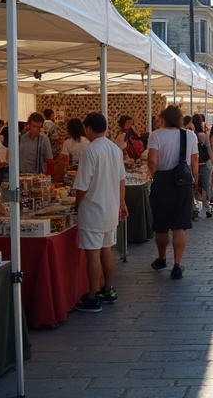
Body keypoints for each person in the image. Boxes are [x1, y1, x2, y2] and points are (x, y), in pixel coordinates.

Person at [72, 112, 128, 313]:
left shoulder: (90, 151)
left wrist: (77, 205)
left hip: (93, 209)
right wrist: (121, 203)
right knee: (106, 249)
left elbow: (82, 185)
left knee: (93, 253)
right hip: (110, 208)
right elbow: (122, 180)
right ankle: (108, 288)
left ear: (87, 128)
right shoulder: (115, 149)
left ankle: (93, 296)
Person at [147, 105, 198, 280]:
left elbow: (152, 160)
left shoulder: (156, 135)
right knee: (180, 225)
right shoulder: (190, 136)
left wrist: (157, 177)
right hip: (183, 183)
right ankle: (177, 264)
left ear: (164, 118)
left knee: (161, 225)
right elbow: (194, 160)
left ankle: (162, 258)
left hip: (162, 182)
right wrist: (194, 180)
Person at [53, 118, 90, 182]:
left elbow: (63, 161)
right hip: (85, 173)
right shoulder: (88, 142)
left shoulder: (67, 143)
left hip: (71, 175)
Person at [192, 114, 213, 218]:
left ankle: (195, 207)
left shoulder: (191, 135)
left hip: (193, 165)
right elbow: (209, 149)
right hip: (205, 164)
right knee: (205, 187)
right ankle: (208, 207)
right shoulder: (203, 135)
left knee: (194, 187)